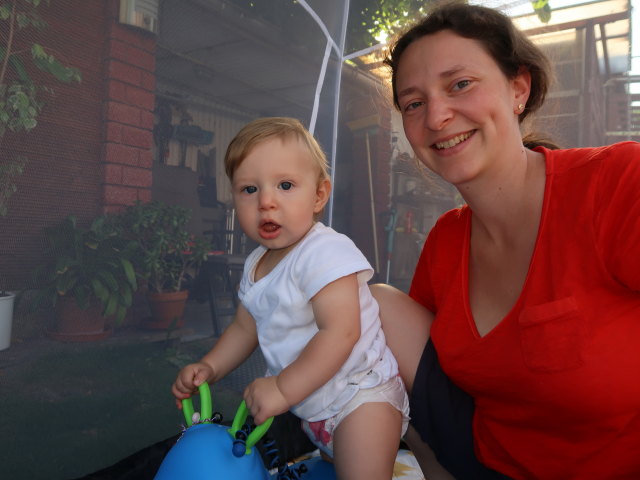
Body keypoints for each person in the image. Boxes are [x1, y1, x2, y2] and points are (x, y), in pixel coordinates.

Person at [372, 2, 640, 480]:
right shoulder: (445, 241)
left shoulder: (616, 182)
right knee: (370, 303)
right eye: (414, 103)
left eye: (460, 84)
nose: (436, 116)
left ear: (519, 88)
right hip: (482, 463)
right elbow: (421, 392)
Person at [171, 117, 409, 480]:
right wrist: (211, 367)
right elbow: (243, 326)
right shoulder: (255, 265)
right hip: (311, 405)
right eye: (249, 189)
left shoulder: (324, 251)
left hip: (360, 397)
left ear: (318, 195)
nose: (266, 202)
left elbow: (341, 331)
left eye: (285, 185)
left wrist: (282, 388)